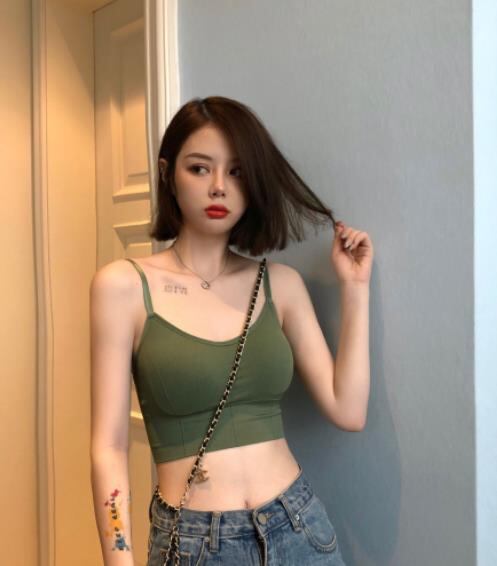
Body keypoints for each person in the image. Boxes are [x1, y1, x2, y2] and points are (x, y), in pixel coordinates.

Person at [90, 95, 373, 565]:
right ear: (168, 174)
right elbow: (109, 448)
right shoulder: (122, 286)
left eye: (237, 172)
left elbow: (349, 410)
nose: (219, 187)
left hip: (298, 528)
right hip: (196, 543)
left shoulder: (281, 284)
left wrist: (355, 288)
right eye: (200, 168)